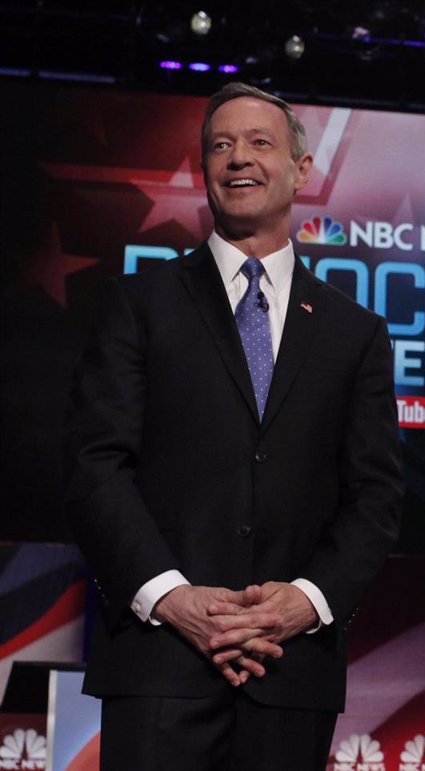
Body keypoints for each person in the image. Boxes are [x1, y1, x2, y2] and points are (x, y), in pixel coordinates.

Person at [64, 82, 403, 771]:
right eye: (220, 145)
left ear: (301, 171)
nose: (237, 158)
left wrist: (305, 602)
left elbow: (376, 495)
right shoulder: (138, 303)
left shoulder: (354, 333)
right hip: (160, 665)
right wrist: (173, 598)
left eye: (258, 142)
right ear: (204, 169)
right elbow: (95, 464)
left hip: (290, 672)